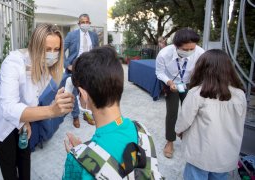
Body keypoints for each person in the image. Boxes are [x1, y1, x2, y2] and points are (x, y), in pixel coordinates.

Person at [0, 24, 74, 180]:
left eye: (56, 49)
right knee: (9, 161)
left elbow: (30, 100)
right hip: (1, 117)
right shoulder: (13, 62)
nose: (52, 54)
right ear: (36, 46)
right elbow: (9, 108)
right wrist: (52, 110)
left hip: (22, 115)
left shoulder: (47, 69)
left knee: (24, 153)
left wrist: (25, 122)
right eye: (47, 49)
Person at [62, 46, 162, 179]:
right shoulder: (142, 130)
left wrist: (78, 156)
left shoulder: (76, 162)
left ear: (83, 94)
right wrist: (84, 152)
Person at [175, 49, 247, 180]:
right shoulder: (240, 95)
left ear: (201, 69)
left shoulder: (196, 94)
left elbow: (184, 120)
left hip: (200, 153)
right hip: (226, 153)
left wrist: (178, 131)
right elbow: (240, 121)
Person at [155, 28, 205, 158]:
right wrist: (169, 82)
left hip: (189, 84)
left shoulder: (200, 53)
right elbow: (159, 72)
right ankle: (170, 141)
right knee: (172, 113)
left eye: (192, 49)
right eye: (186, 49)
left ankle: (188, 138)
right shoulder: (164, 54)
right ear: (176, 46)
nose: (189, 52)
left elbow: (204, 71)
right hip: (172, 84)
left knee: (191, 112)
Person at [60, 13, 99, 128]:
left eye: (87, 22)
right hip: (75, 68)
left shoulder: (94, 36)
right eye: (83, 22)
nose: (85, 24)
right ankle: (75, 116)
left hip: (89, 68)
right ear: (79, 24)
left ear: (90, 23)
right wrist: (67, 64)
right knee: (75, 92)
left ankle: (86, 114)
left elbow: (96, 52)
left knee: (87, 92)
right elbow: (61, 50)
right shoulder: (72, 35)